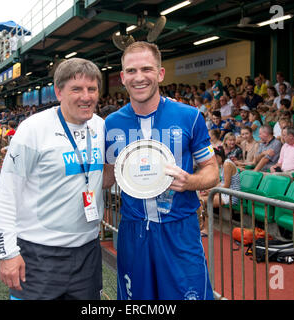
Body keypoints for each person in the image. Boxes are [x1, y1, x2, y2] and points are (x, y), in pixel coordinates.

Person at [103, 41, 219, 300]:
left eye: (147, 69)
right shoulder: (111, 123)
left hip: (179, 228)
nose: (139, 77)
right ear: (122, 77)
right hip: (133, 230)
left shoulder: (189, 116)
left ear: (160, 73)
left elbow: (212, 171)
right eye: (131, 71)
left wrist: (190, 181)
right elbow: (108, 175)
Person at [0, 58, 105, 300]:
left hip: (87, 252)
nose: (86, 96)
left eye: (92, 89)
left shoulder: (102, 127)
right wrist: (7, 253)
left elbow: (103, 175)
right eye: (77, 89)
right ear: (59, 92)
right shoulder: (32, 129)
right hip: (38, 253)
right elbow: (7, 193)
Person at [200, 146, 241, 233]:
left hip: (231, 195)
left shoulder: (227, 164)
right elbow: (222, 183)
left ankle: (206, 228)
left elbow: (226, 185)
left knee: (202, 201)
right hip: (225, 193)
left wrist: (212, 190)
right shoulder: (223, 165)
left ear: (218, 157)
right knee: (201, 197)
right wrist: (210, 189)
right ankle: (203, 226)